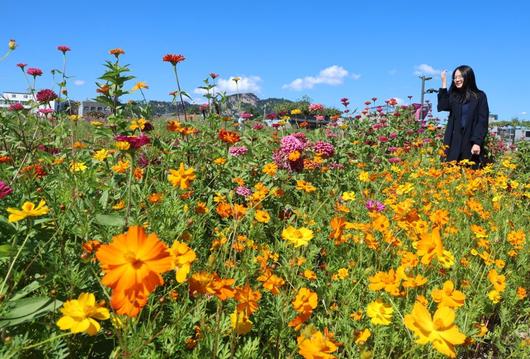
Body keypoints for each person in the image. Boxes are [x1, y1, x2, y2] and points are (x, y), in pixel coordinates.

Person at [437, 65, 489, 166]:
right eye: (455, 77)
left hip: (470, 142)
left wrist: (477, 143)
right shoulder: (454, 96)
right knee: (450, 173)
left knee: (470, 174)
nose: (457, 80)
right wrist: (443, 83)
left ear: (468, 77)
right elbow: (442, 106)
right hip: (453, 142)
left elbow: (482, 121)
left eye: (460, 76)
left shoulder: (479, 96)